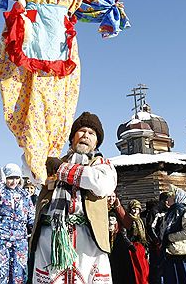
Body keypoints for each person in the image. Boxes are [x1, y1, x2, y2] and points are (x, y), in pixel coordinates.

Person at [0, 0, 130, 184]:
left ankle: (38, 161)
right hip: (61, 48)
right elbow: (104, 0)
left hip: (23, 40)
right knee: (59, 106)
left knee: (22, 102)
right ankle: (45, 160)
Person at [29, 111, 117, 283]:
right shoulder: (54, 161)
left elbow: (100, 184)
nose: (86, 136)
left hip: (88, 240)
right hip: (51, 237)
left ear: (97, 141)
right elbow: (34, 175)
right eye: (82, 131)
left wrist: (62, 169)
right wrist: (31, 147)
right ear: (72, 137)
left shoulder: (102, 165)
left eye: (91, 133)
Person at [0, 163, 35, 283]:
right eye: (10, 178)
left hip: (19, 240)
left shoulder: (24, 194)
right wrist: (0, 183)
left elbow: (31, 216)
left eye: (17, 178)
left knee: (18, 276)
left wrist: (36, 230)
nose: (14, 181)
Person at [112, 197, 150, 284]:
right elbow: (123, 234)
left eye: (137, 209)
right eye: (133, 209)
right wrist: (130, 245)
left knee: (144, 269)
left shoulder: (141, 220)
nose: (135, 211)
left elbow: (144, 235)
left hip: (141, 247)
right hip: (132, 248)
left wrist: (146, 244)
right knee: (136, 269)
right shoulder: (127, 219)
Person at [145, 192, 170, 284]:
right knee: (156, 268)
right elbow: (150, 227)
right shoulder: (155, 211)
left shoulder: (168, 211)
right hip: (157, 244)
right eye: (168, 200)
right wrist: (157, 241)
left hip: (166, 243)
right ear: (164, 200)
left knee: (166, 268)